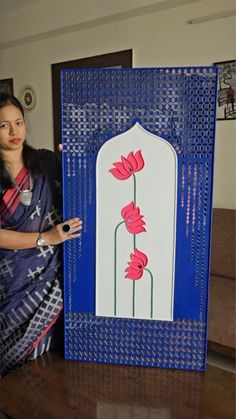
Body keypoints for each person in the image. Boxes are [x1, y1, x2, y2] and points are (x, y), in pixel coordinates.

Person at [0, 92, 82, 377]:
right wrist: (45, 238)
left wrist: (73, 157)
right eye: (4, 125)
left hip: (54, 274)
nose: (14, 131)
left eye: (19, 122)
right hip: (13, 281)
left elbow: (78, 185)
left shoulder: (45, 161)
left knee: (56, 363)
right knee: (17, 366)